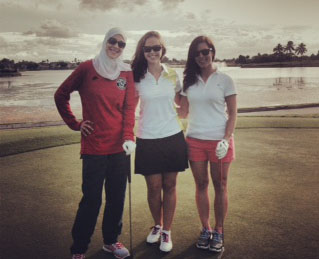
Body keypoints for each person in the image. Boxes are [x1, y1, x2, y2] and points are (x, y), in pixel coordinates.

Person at [54, 27, 136, 259]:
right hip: (94, 148)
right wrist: (76, 124)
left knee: (116, 198)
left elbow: (129, 109)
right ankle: (79, 248)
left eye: (122, 44)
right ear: (104, 41)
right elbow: (61, 94)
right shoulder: (87, 68)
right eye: (112, 41)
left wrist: (129, 137)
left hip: (120, 148)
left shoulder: (126, 73)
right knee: (91, 200)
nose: (116, 47)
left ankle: (111, 241)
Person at [178, 35, 237, 253]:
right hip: (194, 140)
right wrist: (152, 105)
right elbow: (183, 112)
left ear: (212, 51)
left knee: (220, 185)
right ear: (193, 57)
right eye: (197, 53)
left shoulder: (225, 79)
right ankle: (206, 228)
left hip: (220, 142)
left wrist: (226, 138)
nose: (202, 56)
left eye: (205, 51)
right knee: (201, 185)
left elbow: (232, 114)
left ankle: (219, 231)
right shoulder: (189, 81)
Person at [131, 31, 188, 253]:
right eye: (148, 49)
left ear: (163, 50)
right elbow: (126, 107)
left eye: (157, 48)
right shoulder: (135, 77)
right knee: (153, 187)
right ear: (142, 52)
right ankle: (157, 224)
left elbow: (182, 103)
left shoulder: (172, 75)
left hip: (172, 135)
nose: (153, 52)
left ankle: (167, 231)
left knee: (170, 185)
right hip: (147, 137)